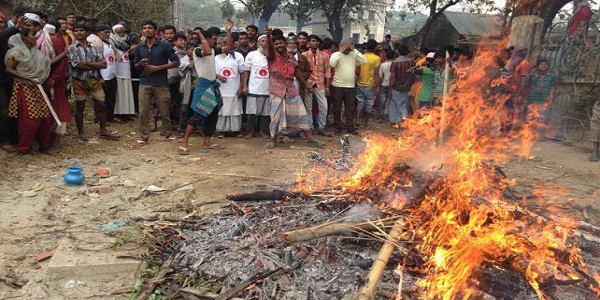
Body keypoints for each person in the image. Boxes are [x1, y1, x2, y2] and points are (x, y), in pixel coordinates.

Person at [178, 19, 234, 155]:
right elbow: (207, 52)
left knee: (213, 114)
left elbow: (229, 48)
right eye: (212, 38)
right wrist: (200, 34)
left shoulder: (213, 50)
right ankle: (184, 142)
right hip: (203, 86)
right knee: (198, 115)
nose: (215, 40)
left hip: (212, 85)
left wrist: (228, 31)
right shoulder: (198, 51)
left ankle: (206, 140)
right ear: (206, 39)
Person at [264, 29, 323, 148]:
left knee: (301, 114)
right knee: (275, 117)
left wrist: (306, 86)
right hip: (276, 91)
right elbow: (270, 48)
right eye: (276, 44)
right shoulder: (272, 56)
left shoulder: (292, 58)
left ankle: (310, 138)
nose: (279, 45)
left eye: (281, 43)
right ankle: (272, 139)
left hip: (291, 91)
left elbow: (297, 73)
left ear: (285, 44)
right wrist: (269, 37)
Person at [5, 28, 52, 154]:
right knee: (29, 120)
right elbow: (9, 69)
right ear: (25, 37)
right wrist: (28, 78)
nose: (35, 38)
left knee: (45, 118)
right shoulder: (16, 52)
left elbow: (47, 64)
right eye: (32, 35)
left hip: (37, 87)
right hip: (24, 88)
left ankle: (44, 146)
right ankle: (24, 149)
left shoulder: (36, 53)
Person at [67, 23, 117, 141]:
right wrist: (95, 65)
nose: (79, 33)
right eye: (76, 30)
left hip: (93, 80)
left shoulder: (93, 47)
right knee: (80, 106)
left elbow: (104, 64)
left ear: (87, 32)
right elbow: (78, 65)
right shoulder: (72, 48)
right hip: (79, 80)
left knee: (102, 105)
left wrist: (86, 63)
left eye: (81, 30)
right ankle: (80, 132)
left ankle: (103, 130)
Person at [133, 20, 180, 144]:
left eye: (150, 28)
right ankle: (144, 136)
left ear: (155, 31)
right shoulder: (139, 47)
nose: (147, 30)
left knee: (164, 110)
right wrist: (140, 64)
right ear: (142, 31)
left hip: (161, 82)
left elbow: (176, 62)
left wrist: (157, 68)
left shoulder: (164, 46)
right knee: (143, 111)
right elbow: (135, 65)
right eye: (145, 28)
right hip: (144, 82)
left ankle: (167, 133)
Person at [329, 38, 366, 134]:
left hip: (350, 86)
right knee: (337, 108)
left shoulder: (354, 54)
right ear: (341, 46)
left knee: (350, 108)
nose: (347, 47)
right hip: (337, 85)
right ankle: (337, 126)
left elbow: (364, 61)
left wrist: (355, 50)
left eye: (349, 45)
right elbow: (332, 64)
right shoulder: (336, 55)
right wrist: (340, 52)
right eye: (345, 45)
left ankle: (350, 126)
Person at [0, 15, 25, 152]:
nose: (0, 25)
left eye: (2, 22)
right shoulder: (6, 35)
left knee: (13, 108)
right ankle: (4, 139)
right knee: (4, 109)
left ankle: (14, 138)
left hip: (10, 78)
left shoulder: (11, 39)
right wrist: (16, 28)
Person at [241, 35, 270, 139]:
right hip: (254, 88)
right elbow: (246, 71)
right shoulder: (252, 55)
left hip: (268, 89)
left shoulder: (273, 56)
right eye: (262, 41)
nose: (264, 43)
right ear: (258, 43)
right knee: (251, 112)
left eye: (266, 41)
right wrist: (244, 86)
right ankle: (250, 131)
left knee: (265, 113)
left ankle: (262, 131)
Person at [215, 37, 244, 136]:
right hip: (220, 88)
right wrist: (217, 76)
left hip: (234, 87)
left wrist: (242, 86)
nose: (221, 46)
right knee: (221, 110)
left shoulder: (238, 56)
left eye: (223, 44)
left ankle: (234, 130)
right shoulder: (215, 57)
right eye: (219, 44)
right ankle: (221, 130)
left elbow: (243, 72)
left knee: (234, 109)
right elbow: (210, 71)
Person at [303, 34, 332, 136]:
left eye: (315, 41)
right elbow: (302, 72)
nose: (314, 43)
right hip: (308, 84)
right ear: (308, 43)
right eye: (312, 41)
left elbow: (327, 72)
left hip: (320, 84)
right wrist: (305, 84)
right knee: (308, 107)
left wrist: (328, 86)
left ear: (319, 43)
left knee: (324, 107)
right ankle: (310, 127)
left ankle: (321, 127)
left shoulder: (325, 56)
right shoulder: (304, 55)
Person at [110, 24, 136, 121]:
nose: (121, 34)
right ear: (114, 32)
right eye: (118, 32)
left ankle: (126, 112)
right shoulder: (111, 41)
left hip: (126, 70)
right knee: (119, 92)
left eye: (122, 32)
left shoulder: (128, 41)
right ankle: (117, 113)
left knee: (127, 91)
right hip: (117, 71)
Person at [355, 39, 381, 127]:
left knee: (360, 102)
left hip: (360, 83)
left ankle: (357, 120)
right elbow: (376, 74)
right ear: (375, 47)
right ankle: (365, 123)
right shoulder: (377, 58)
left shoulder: (361, 57)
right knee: (369, 103)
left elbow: (357, 71)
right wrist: (377, 87)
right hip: (370, 84)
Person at [388, 45, 414, 127]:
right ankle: (399, 121)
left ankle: (400, 120)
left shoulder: (395, 62)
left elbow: (393, 77)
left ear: (398, 52)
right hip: (407, 86)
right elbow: (413, 74)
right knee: (403, 103)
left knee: (395, 104)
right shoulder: (412, 62)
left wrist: (390, 88)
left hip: (396, 86)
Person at [178, 42, 197, 134]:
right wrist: (196, 58)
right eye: (192, 49)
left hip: (197, 87)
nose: (193, 52)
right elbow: (190, 66)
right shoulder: (183, 60)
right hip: (187, 88)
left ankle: (195, 128)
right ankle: (182, 128)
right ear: (187, 51)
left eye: (195, 50)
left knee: (196, 108)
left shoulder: (200, 59)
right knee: (185, 108)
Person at [376, 48, 394, 123]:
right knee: (391, 102)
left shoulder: (383, 65)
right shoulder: (395, 64)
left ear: (386, 56)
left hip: (384, 84)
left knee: (382, 102)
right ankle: (389, 117)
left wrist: (378, 86)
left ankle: (379, 117)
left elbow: (380, 76)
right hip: (392, 86)